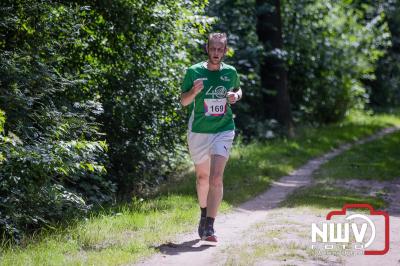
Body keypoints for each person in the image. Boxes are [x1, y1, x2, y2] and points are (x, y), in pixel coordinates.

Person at [180, 32, 242, 242]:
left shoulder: (230, 72)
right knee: (202, 178)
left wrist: (236, 96)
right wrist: (194, 93)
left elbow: (237, 89)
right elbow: (183, 102)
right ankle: (203, 213)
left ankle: (210, 226)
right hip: (198, 131)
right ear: (207, 49)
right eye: (213, 48)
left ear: (225, 51)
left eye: (220, 49)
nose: (216, 53)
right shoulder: (193, 71)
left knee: (216, 177)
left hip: (223, 129)